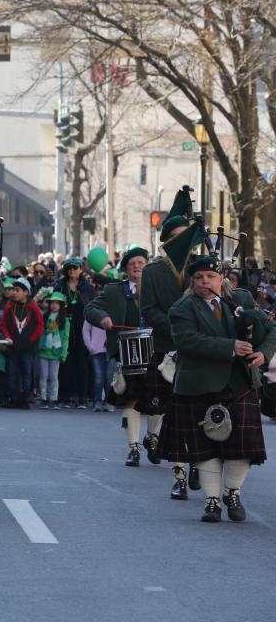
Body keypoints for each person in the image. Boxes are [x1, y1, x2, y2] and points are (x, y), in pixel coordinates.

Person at [161, 255, 276, 522]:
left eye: (210, 277)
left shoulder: (242, 300)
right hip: (200, 384)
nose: (205, 282)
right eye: (199, 278)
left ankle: (232, 493)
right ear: (192, 281)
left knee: (243, 446)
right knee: (205, 446)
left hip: (240, 383)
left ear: (220, 278)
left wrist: (263, 354)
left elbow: (271, 328)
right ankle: (212, 501)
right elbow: (188, 341)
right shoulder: (182, 308)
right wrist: (230, 347)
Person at [140, 187, 206, 498]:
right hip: (166, 345)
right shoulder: (152, 272)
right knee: (168, 408)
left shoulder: (203, 270)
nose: (185, 242)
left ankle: (197, 463)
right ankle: (172, 461)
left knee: (198, 411)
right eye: (179, 236)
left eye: (188, 235)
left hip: (198, 352)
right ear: (167, 239)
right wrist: (178, 326)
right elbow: (148, 309)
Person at [85, 247, 158, 466]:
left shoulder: (159, 289)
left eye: (140, 263)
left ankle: (152, 439)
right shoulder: (114, 290)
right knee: (130, 401)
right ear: (126, 269)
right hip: (128, 352)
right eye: (132, 264)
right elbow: (91, 309)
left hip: (156, 352)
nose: (137, 266)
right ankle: (133, 447)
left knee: (158, 400)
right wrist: (103, 317)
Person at [54, 257, 95, 409]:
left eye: (75, 268)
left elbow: (92, 306)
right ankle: (65, 396)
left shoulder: (87, 287)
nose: (72, 270)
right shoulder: (59, 285)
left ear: (81, 269)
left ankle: (82, 397)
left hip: (82, 327)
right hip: (64, 327)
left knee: (82, 362)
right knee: (65, 361)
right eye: (69, 268)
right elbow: (54, 303)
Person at [0, 278, 44, 409]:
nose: (13, 292)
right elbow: (3, 324)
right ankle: (12, 399)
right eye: (13, 289)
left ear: (26, 292)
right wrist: (7, 337)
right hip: (13, 347)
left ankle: (25, 399)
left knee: (26, 373)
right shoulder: (9, 306)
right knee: (12, 373)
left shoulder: (33, 306)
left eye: (17, 290)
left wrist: (31, 340)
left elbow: (40, 325)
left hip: (28, 348)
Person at [36, 292, 69, 409]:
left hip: (56, 351)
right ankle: (44, 399)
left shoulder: (65, 320)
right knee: (43, 375)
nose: (54, 305)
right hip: (44, 350)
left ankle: (53, 399)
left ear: (61, 305)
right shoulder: (44, 317)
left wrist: (64, 353)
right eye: (52, 303)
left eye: (57, 303)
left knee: (53, 376)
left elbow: (66, 338)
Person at [82, 317, 110, 411]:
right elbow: (85, 330)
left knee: (110, 377)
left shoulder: (115, 309)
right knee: (99, 376)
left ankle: (109, 402)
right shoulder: (93, 311)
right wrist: (90, 346)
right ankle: (97, 401)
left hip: (112, 350)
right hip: (96, 349)